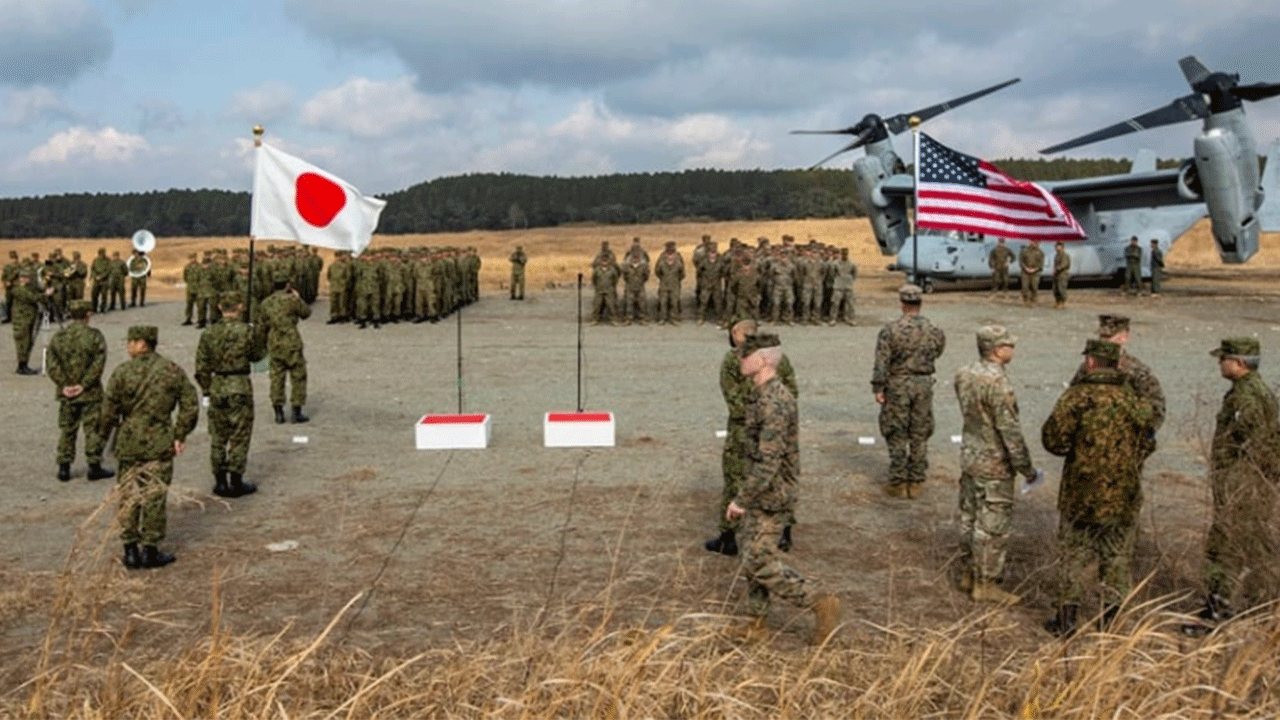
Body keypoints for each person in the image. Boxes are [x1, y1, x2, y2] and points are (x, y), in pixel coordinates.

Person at [724, 333, 840, 645]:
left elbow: (769, 460)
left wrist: (740, 500)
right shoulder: (761, 394)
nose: (739, 359)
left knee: (760, 561)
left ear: (762, 360)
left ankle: (818, 600)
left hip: (772, 494)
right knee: (751, 555)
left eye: (745, 355)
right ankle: (756, 622)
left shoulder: (774, 402)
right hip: (763, 491)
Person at [1041, 338, 1156, 637]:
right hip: (1123, 494)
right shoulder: (1135, 402)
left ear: (1090, 362)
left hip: (1081, 493)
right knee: (1117, 556)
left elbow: (1053, 440)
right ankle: (1112, 621)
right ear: (1117, 364)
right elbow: (1149, 440)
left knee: (1073, 555)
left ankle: (1066, 621)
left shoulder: (1076, 398)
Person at [1182, 338, 1280, 634]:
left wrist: (1245, 482)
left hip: (1243, 486)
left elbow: (1260, 444)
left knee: (1227, 547)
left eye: (1223, 359)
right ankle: (1262, 605)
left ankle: (1220, 609)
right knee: (1253, 544)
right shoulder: (1250, 390)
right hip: (1247, 485)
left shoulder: (1247, 397)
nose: (1219, 364)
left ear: (1238, 363)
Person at [99, 325, 200, 570]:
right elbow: (190, 403)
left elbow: (109, 410)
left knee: (129, 495)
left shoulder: (122, 372)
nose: (128, 346)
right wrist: (180, 434)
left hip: (129, 440)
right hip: (159, 440)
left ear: (143, 343)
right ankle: (150, 549)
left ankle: (130, 549)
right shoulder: (171, 370)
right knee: (155, 495)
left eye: (132, 341)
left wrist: (101, 438)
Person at [954, 326, 1037, 603]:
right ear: (997, 350)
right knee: (992, 527)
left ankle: (967, 572)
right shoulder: (999, 384)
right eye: (1008, 345)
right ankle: (986, 583)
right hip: (995, 463)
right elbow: (1009, 431)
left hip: (971, 455)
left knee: (969, 517)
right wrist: (1027, 468)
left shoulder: (964, 373)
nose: (1012, 349)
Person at [706, 320, 798, 557]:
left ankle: (734, 534)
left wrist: (759, 415)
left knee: (747, 477)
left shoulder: (735, 360)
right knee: (768, 477)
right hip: (754, 428)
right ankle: (773, 532)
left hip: (743, 431)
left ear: (736, 333)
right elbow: (792, 392)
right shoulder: (777, 360)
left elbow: (735, 403)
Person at [872, 284, 946, 498]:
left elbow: (881, 362)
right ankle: (916, 481)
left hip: (897, 384)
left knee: (896, 431)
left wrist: (879, 387)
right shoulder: (934, 329)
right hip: (923, 384)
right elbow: (938, 351)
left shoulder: (890, 330)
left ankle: (897, 482)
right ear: (920, 304)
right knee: (919, 432)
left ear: (902, 304)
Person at [195, 291, 268, 498]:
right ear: (240, 307)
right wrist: (259, 336)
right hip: (240, 385)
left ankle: (219, 481)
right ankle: (235, 480)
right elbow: (260, 360)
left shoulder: (208, 333)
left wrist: (207, 390)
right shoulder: (247, 331)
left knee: (218, 436)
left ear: (219, 307)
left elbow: (201, 367)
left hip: (218, 385)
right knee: (240, 435)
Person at [47, 299, 114, 482]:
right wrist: (83, 385)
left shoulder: (58, 337)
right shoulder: (95, 336)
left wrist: (64, 385)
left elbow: (51, 365)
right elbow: (98, 364)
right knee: (92, 429)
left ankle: (64, 468)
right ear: (88, 315)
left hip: (66, 393)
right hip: (90, 392)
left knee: (67, 430)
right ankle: (94, 466)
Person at [1070, 314, 1166, 433]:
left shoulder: (1136, 370)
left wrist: (1141, 437)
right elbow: (1071, 399)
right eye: (1102, 336)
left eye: (1109, 337)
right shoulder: (1088, 367)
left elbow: (1156, 408)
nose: (1103, 341)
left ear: (1124, 338)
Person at [259, 272, 312, 423]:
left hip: (274, 343)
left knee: (276, 377)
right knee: (298, 375)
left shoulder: (266, 303)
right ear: (287, 285)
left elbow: (262, 326)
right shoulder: (292, 300)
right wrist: (297, 297)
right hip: (292, 343)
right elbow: (306, 313)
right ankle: (296, 411)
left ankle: (278, 412)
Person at [10, 269, 50, 375]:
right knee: (23, 343)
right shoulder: (18, 289)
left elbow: (37, 292)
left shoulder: (28, 288)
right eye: (26, 277)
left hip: (28, 319)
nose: (29, 279)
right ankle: (22, 366)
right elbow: (32, 298)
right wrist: (45, 294)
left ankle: (24, 364)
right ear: (21, 278)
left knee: (28, 342)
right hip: (21, 321)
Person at [654, 240, 685, 325]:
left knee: (674, 302)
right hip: (664, 284)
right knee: (663, 302)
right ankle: (662, 318)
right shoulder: (662, 258)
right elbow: (657, 271)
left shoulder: (678, 258)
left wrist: (676, 280)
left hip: (674, 284)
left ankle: (674, 318)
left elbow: (682, 273)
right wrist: (663, 278)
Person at [829, 248, 857, 325]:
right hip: (838, 286)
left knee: (850, 304)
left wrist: (850, 280)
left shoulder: (852, 264)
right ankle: (833, 319)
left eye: (846, 254)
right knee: (835, 303)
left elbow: (854, 274)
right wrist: (837, 280)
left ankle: (851, 318)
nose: (844, 256)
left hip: (848, 286)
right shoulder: (835, 264)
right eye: (843, 254)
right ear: (841, 254)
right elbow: (832, 274)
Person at [1018, 240, 1044, 306]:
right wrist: (1025, 268)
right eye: (1033, 241)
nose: (1035, 243)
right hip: (1025, 272)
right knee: (1024, 287)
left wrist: (1034, 269)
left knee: (1034, 287)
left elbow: (1041, 264)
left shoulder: (1040, 252)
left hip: (1035, 272)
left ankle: (1033, 300)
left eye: (1036, 242)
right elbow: (1021, 261)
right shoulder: (1024, 251)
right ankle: (1025, 300)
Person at [181, 253, 202, 325]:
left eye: (193, 258)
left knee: (200, 305)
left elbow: (202, 277)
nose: (192, 259)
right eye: (190, 258)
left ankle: (200, 319)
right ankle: (188, 319)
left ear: (196, 258)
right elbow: (185, 277)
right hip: (190, 289)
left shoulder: (200, 267)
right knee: (189, 305)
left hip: (198, 289)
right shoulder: (187, 267)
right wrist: (190, 283)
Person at [1052, 241, 1071, 309]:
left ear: (1062, 247)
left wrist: (1057, 268)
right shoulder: (1057, 255)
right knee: (1055, 289)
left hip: (1062, 274)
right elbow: (1055, 265)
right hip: (1057, 274)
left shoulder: (1065, 255)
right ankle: (1058, 302)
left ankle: (1063, 302)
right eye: (1056, 246)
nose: (1056, 248)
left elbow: (1064, 264)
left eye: (1058, 246)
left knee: (1061, 289)